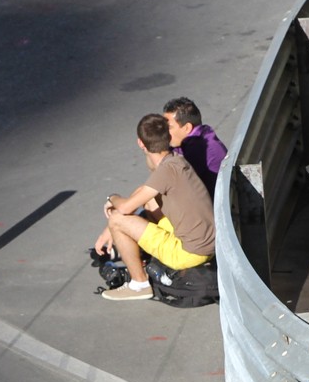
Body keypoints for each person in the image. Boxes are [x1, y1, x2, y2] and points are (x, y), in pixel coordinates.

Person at [93, 113, 215, 301]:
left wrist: (112, 198)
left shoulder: (165, 171)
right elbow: (144, 192)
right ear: (168, 137)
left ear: (141, 143)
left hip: (190, 252)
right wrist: (106, 232)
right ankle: (127, 244)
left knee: (117, 219)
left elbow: (124, 208)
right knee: (148, 200)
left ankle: (139, 284)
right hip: (208, 244)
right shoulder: (176, 160)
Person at [162, 96, 227, 196]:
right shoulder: (199, 136)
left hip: (214, 204)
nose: (165, 132)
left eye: (169, 127)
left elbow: (169, 182)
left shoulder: (199, 148)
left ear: (187, 128)